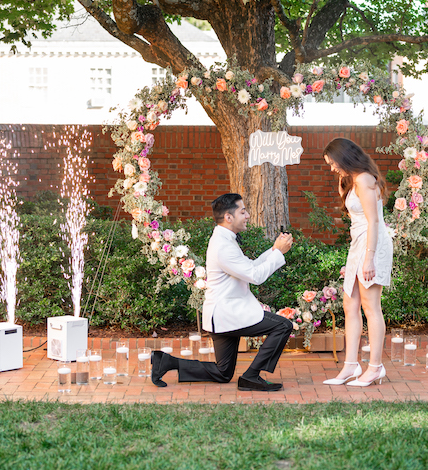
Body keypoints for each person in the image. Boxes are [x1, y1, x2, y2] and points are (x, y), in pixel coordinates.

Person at [150, 193, 295, 391]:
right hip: (229, 315)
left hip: (223, 316)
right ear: (228, 217)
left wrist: (274, 250)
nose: (248, 215)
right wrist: (279, 252)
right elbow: (256, 276)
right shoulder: (223, 246)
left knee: (223, 373)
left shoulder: (224, 239)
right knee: (282, 326)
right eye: (243, 212)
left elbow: (249, 267)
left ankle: (166, 362)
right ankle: (251, 376)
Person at [322, 137, 393, 387]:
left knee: (370, 305)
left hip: (372, 243)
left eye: (332, 163)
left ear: (344, 157)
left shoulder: (364, 179)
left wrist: (369, 258)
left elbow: (374, 222)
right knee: (349, 305)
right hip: (358, 243)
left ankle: (375, 367)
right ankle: (351, 365)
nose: (332, 168)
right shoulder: (349, 181)